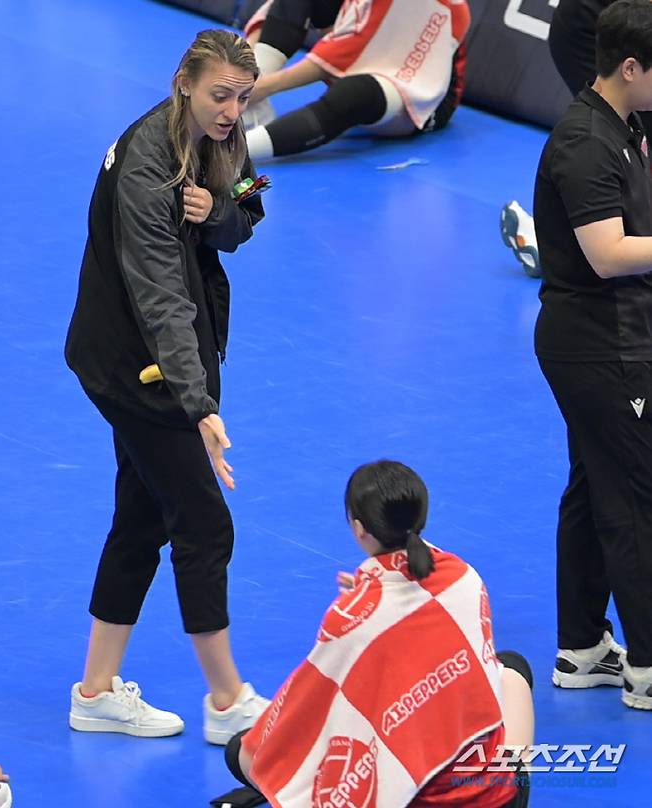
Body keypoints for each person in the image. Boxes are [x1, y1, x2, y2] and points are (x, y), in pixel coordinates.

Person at [64, 29, 269, 741]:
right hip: (135, 367)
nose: (231, 111)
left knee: (141, 516)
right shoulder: (146, 167)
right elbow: (160, 302)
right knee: (204, 524)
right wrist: (200, 406)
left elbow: (251, 206)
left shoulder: (232, 137)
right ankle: (227, 702)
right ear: (183, 81)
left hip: (166, 359)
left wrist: (220, 213)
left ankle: (95, 693)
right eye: (220, 95)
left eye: (243, 97)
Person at [218, 461, 533, 808]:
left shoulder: (347, 621)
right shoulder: (464, 578)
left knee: (244, 751)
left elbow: (302, 711)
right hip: (497, 798)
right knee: (512, 668)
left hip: (413, 798)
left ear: (358, 528)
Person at [533, 0, 652, 708]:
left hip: (618, 337)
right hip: (598, 345)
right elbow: (608, 255)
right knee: (635, 497)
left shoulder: (629, 124)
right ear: (630, 68)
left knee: (594, 483)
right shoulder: (584, 141)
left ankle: (581, 648)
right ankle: (647, 666)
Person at [501, 0, 652, 278]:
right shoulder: (586, 140)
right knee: (620, 143)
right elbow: (610, 260)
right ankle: (556, 248)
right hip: (592, 25)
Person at [240, 0, 471, 161]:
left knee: (353, 95)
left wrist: (265, 87)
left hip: (423, 92)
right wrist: (246, 75)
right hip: (366, 54)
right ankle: (247, 106)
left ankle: (237, 151)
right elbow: (279, 11)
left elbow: (349, 51)